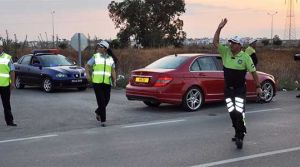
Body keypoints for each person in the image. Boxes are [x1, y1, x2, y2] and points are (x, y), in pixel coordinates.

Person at [213, 18, 262, 149]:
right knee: (232, 112)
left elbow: (254, 72)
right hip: (228, 90)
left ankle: (240, 136)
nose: (231, 45)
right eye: (230, 43)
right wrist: (219, 28)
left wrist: (258, 87)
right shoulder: (226, 52)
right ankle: (237, 131)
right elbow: (215, 42)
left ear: (240, 45)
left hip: (240, 90)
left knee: (239, 112)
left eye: (234, 43)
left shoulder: (245, 57)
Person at [85, 40, 116, 127]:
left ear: (105, 49)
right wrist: (87, 74)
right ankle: (103, 120)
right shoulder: (95, 57)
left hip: (107, 82)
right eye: (98, 47)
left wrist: (114, 80)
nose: (98, 48)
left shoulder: (110, 59)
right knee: (101, 101)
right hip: (97, 82)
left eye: (100, 47)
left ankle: (98, 111)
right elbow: (87, 66)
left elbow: (113, 70)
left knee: (107, 100)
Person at [0, 40, 17, 126]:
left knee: (6, 104)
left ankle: (10, 121)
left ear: (1, 47)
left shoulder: (7, 57)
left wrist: (13, 83)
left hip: (5, 85)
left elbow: (12, 71)